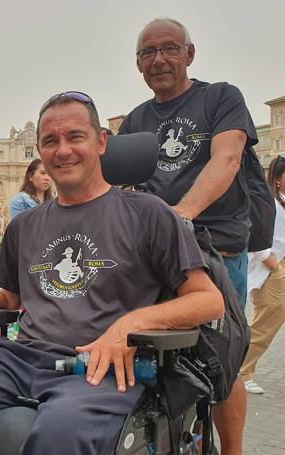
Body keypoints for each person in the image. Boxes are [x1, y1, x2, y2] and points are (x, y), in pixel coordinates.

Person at [0, 91, 223, 455]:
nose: (63, 150)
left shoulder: (149, 213)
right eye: (51, 141)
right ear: (40, 150)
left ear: (101, 142)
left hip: (96, 369)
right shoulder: (24, 225)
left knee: (59, 432)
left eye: (75, 136)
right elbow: (11, 299)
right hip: (18, 362)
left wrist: (129, 325)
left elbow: (208, 300)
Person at [117, 17, 255, 455]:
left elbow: (227, 159)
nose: (159, 59)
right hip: (155, 255)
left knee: (222, 360)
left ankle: (231, 450)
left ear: (189, 54)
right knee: (149, 348)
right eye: (148, 52)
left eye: (170, 49)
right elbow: (117, 190)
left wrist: (180, 216)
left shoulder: (220, 98)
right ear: (138, 64)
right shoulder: (136, 120)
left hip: (216, 243)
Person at [240, 156, 285, 394]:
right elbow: (258, 236)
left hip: (279, 267)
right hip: (271, 269)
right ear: (277, 180)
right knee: (266, 323)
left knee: (269, 322)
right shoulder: (272, 204)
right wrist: (275, 267)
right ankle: (242, 370)